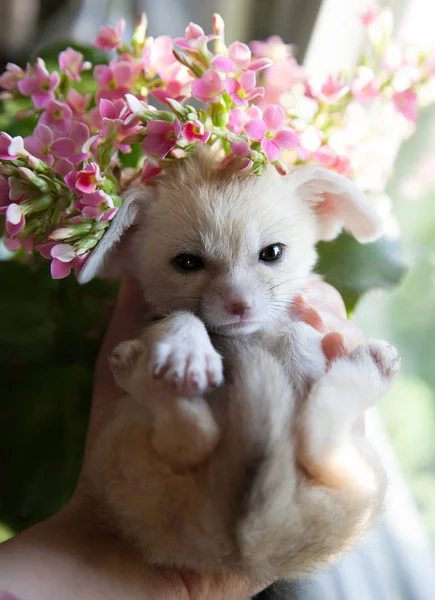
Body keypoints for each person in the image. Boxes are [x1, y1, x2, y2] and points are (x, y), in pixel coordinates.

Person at [0, 277, 364, 600]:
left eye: (270, 254)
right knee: (352, 490)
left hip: (167, 520)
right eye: (190, 262)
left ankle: (182, 419)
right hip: (288, 519)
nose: (239, 296)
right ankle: (328, 427)